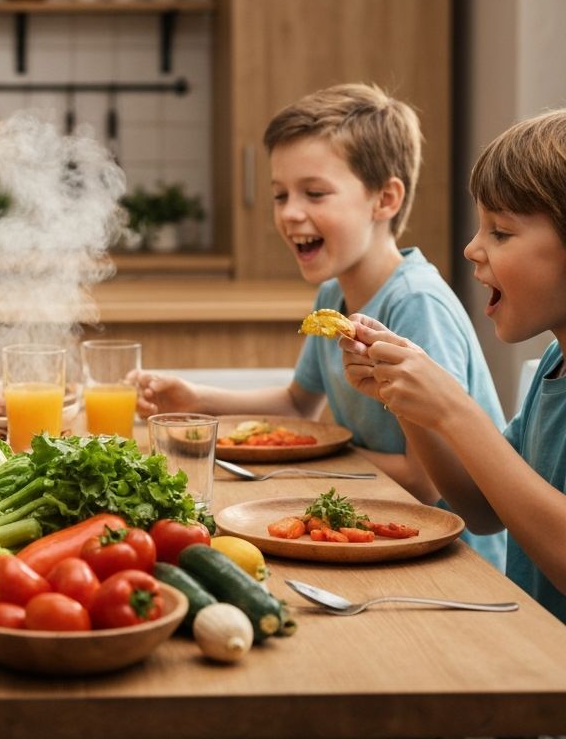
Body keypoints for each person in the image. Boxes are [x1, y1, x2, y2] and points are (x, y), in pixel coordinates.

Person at [134, 83, 507, 569]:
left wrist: (309, 461)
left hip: (450, 557)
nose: (290, 212)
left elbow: (423, 481)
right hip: (372, 530)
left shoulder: (415, 302)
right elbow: (298, 402)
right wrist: (197, 398)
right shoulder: (335, 292)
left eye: (314, 193)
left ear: (385, 199)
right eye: (279, 194)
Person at [340, 109, 566, 621]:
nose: (472, 249)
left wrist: (456, 412)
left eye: (501, 233)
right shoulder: (556, 362)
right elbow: (481, 509)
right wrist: (407, 399)